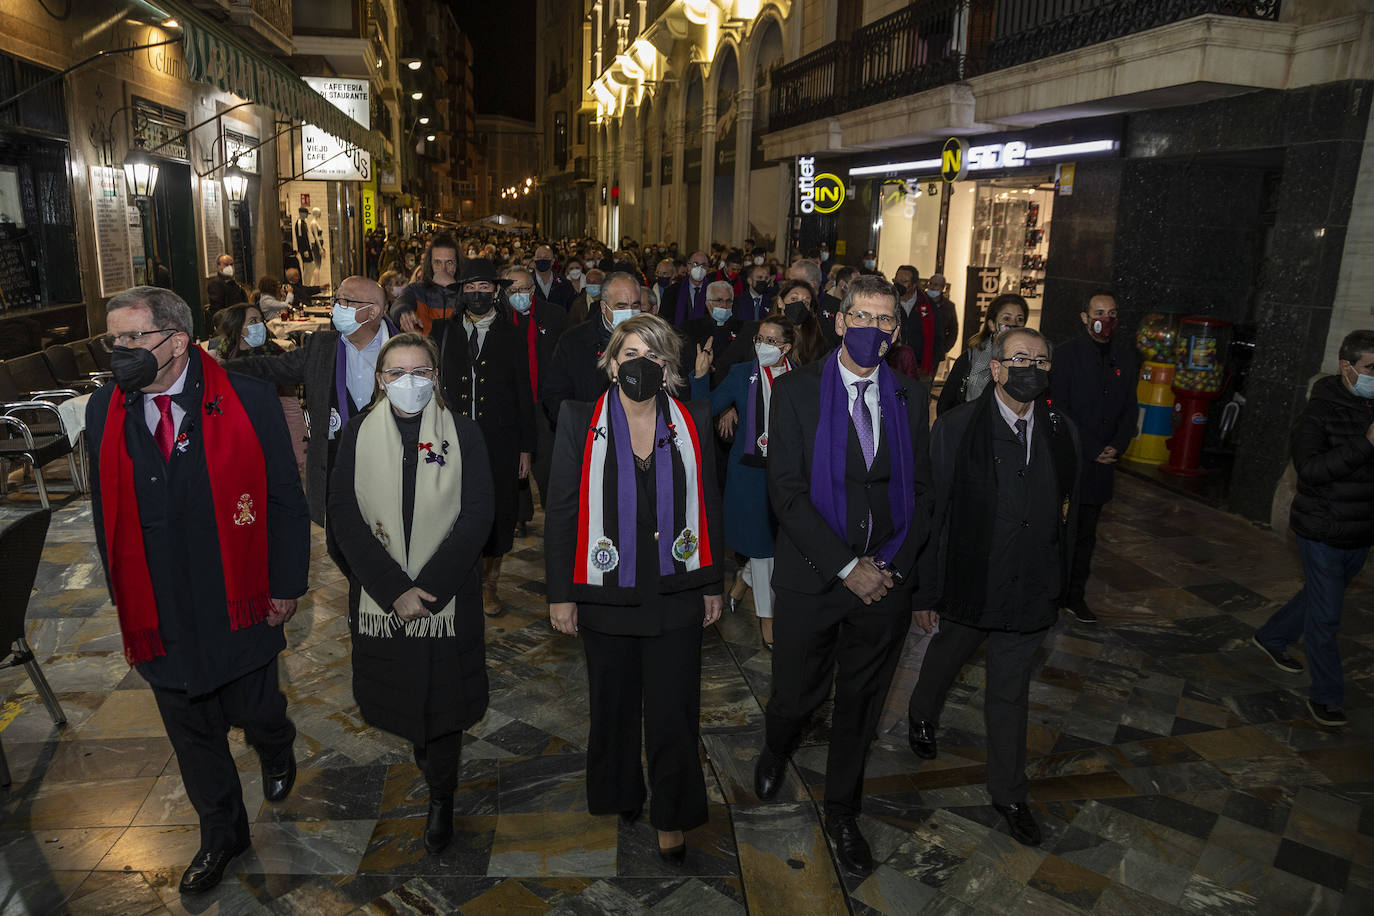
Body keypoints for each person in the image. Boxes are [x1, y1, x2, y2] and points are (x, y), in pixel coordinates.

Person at [86, 286, 310, 894]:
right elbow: (104, 513)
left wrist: (286, 583)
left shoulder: (250, 399)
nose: (121, 351)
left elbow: (286, 500)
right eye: (115, 339)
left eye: (135, 338)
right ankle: (222, 834)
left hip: (237, 591)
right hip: (158, 604)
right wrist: (122, 593)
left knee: (252, 707)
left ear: (178, 342)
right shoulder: (104, 408)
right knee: (190, 726)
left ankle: (276, 742)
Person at [753, 275, 936, 877]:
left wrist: (892, 568)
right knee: (796, 691)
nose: (873, 331)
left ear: (894, 330)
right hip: (814, 576)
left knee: (860, 701)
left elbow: (924, 496)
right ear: (839, 320)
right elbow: (786, 494)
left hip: (884, 580)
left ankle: (842, 810)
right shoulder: (799, 392)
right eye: (862, 317)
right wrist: (844, 565)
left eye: (886, 322)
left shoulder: (909, 394)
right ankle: (777, 744)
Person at [544, 313, 724, 867]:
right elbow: (562, 510)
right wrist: (561, 593)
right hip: (606, 592)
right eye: (628, 354)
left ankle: (672, 814)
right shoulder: (580, 419)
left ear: (667, 366)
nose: (638, 365)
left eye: (651, 356)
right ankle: (621, 791)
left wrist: (713, 582)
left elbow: (709, 503)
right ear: (611, 363)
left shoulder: (692, 420)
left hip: (676, 589)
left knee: (674, 712)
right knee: (614, 705)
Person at [907, 327, 1080, 850]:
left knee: (1009, 693)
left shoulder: (1061, 430)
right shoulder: (957, 428)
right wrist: (926, 594)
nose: (1031, 367)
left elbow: (1067, 520)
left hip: (1030, 589)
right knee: (946, 656)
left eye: (1041, 360)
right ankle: (921, 712)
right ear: (998, 368)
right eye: (1020, 358)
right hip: (970, 580)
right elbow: (934, 516)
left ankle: (1009, 794)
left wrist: (1060, 586)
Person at [327, 333, 495, 853]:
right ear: (380, 381)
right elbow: (344, 519)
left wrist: (430, 588)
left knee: (445, 708)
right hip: (384, 602)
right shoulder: (356, 435)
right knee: (402, 699)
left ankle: (441, 795)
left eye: (420, 372)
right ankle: (426, 760)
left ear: (436, 378)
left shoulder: (463, 434)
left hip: (447, 600)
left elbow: (477, 516)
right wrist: (393, 589)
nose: (408, 383)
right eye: (396, 374)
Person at [1253, 329, 1374, 728]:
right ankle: (1326, 695)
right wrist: (1366, 443)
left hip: (1360, 530)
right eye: (1371, 368)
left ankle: (1271, 636)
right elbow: (1311, 472)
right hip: (1321, 529)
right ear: (1346, 367)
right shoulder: (1317, 413)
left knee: (1321, 597)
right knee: (1327, 614)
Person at [226, 277, 397, 529]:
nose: (337, 307)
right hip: (337, 474)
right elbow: (272, 368)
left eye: (347, 301)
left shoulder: (406, 349)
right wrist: (220, 370)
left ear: (373, 311)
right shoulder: (322, 347)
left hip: (392, 471)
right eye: (336, 300)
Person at [431, 258, 536, 617]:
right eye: (470, 287)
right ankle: (461, 578)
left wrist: (526, 446)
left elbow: (525, 392)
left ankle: (490, 584)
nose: (477, 293)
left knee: (498, 510)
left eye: (484, 287)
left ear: (496, 291)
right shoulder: (445, 332)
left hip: (501, 440)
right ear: (462, 291)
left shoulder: (511, 334)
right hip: (452, 438)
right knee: (454, 508)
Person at [690, 317, 795, 648]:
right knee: (764, 548)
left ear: (787, 348)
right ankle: (769, 620)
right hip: (749, 476)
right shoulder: (741, 374)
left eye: (772, 340)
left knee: (780, 545)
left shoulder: (804, 377)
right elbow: (701, 413)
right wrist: (701, 375)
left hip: (789, 476)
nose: (762, 345)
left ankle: (741, 583)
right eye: (759, 338)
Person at [1049, 290, 1141, 623]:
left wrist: (1117, 445)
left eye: (1113, 312)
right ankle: (1050, 594)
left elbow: (1130, 407)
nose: (1106, 319)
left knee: (1087, 535)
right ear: (1085, 317)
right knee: (1058, 531)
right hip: (1072, 460)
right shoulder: (1066, 355)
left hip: (1103, 466)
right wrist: (1090, 448)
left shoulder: (1125, 356)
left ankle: (1076, 596)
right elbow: (1057, 408)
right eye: (1100, 312)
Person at [505, 265, 568, 535]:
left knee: (547, 465)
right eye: (513, 290)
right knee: (513, 464)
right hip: (512, 403)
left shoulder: (554, 315)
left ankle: (556, 517)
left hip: (544, 403)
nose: (520, 294)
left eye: (525, 289)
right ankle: (519, 515)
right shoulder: (499, 319)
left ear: (534, 290)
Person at [938, 293, 1029, 416]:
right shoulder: (970, 359)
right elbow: (945, 404)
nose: (1013, 325)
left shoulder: (1031, 361)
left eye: (1020, 319)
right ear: (991, 324)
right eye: (1006, 319)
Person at [394, 234, 462, 334]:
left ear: (457, 264)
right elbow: (399, 304)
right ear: (430, 264)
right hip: (425, 347)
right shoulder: (416, 290)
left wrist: (454, 289)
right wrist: (404, 313)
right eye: (437, 262)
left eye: (449, 262)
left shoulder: (466, 291)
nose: (443, 269)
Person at [892, 265, 942, 386]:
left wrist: (931, 363)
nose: (898, 285)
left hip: (921, 369)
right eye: (896, 281)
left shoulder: (928, 306)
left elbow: (938, 337)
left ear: (914, 285)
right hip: (892, 366)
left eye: (904, 282)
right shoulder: (888, 302)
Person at [215, 303, 283, 361]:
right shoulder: (224, 356)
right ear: (237, 327)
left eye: (261, 320)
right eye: (253, 321)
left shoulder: (273, 349)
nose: (261, 325)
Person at [668, 250, 712, 326]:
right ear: (688, 267)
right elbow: (665, 320)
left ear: (708, 268)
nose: (699, 268)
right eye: (695, 264)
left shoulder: (713, 291)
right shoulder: (672, 291)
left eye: (703, 265)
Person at [532, 244, 576, 309]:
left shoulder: (565, 284)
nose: (542, 260)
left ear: (552, 261)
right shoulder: (526, 283)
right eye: (538, 257)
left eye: (546, 257)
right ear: (534, 260)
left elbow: (571, 311)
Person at [206, 254, 248, 321]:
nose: (230, 267)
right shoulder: (215, 284)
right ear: (218, 266)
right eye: (226, 264)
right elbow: (217, 309)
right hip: (228, 321)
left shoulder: (233, 283)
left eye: (231, 264)